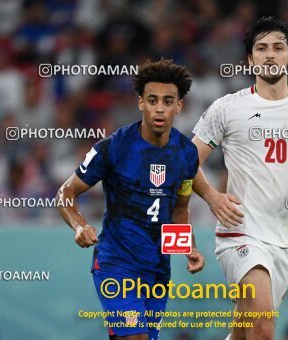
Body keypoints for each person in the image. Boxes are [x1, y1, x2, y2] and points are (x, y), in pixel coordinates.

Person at [191, 17, 288, 340]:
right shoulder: (227, 108)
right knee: (263, 328)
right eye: (261, 48)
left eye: (278, 48)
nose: (269, 55)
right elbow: (186, 161)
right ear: (250, 59)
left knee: (244, 332)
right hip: (240, 232)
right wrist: (212, 196)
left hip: (286, 238)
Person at [57, 59, 204, 340]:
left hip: (158, 270)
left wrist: (189, 247)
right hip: (117, 263)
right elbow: (66, 192)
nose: (159, 108)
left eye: (167, 101)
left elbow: (179, 211)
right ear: (141, 103)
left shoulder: (186, 154)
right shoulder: (113, 148)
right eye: (152, 100)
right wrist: (78, 224)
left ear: (179, 106)